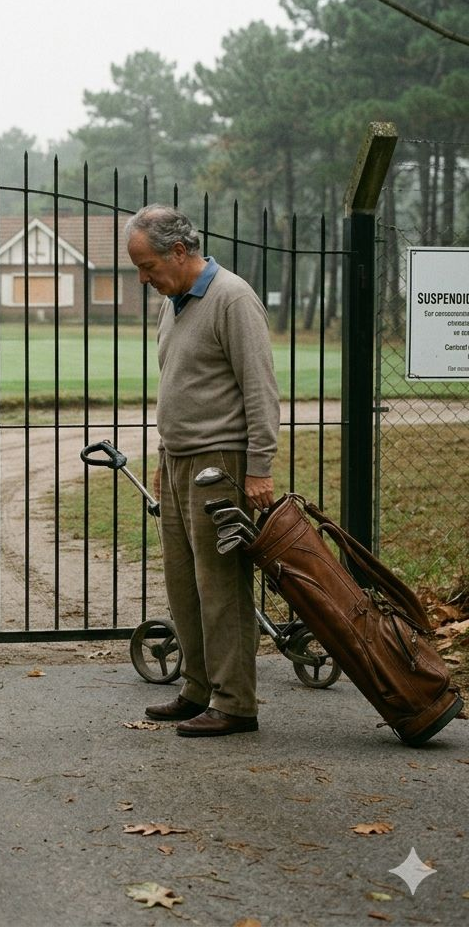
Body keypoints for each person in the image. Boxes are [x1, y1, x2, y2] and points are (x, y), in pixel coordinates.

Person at [126, 204, 279, 737]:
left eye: (147, 266)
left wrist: (259, 468)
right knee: (184, 581)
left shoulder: (232, 299)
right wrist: (167, 454)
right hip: (179, 460)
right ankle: (197, 688)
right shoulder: (174, 302)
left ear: (179, 251)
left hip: (222, 462)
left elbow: (260, 389)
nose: (143, 279)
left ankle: (236, 702)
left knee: (221, 584)